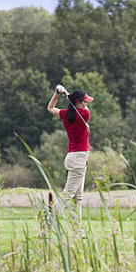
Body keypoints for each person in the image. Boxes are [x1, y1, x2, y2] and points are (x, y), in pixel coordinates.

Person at [47, 85, 93, 231]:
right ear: (78, 102)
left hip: (72, 158)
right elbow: (86, 110)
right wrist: (67, 94)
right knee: (68, 196)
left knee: (77, 199)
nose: (86, 103)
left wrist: (57, 93)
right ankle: (49, 219)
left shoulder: (66, 114)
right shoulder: (84, 115)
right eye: (84, 101)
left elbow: (51, 108)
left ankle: (77, 230)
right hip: (79, 160)